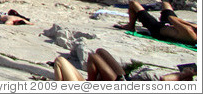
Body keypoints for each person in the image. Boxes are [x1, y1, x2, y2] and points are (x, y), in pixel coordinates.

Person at [53, 49, 196, 81]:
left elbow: (164, 80)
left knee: (60, 61)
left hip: (123, 84)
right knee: (98, 53)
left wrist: (185, 74)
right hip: (127, 78)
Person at [118, 0, 196, 45]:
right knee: (166, 4)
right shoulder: (194, 32)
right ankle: (152, 6)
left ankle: (131, 26)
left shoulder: (189, 32)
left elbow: (171, 18)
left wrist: (191, 25)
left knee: (133, 3)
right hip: (170, 24)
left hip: (157, 28)